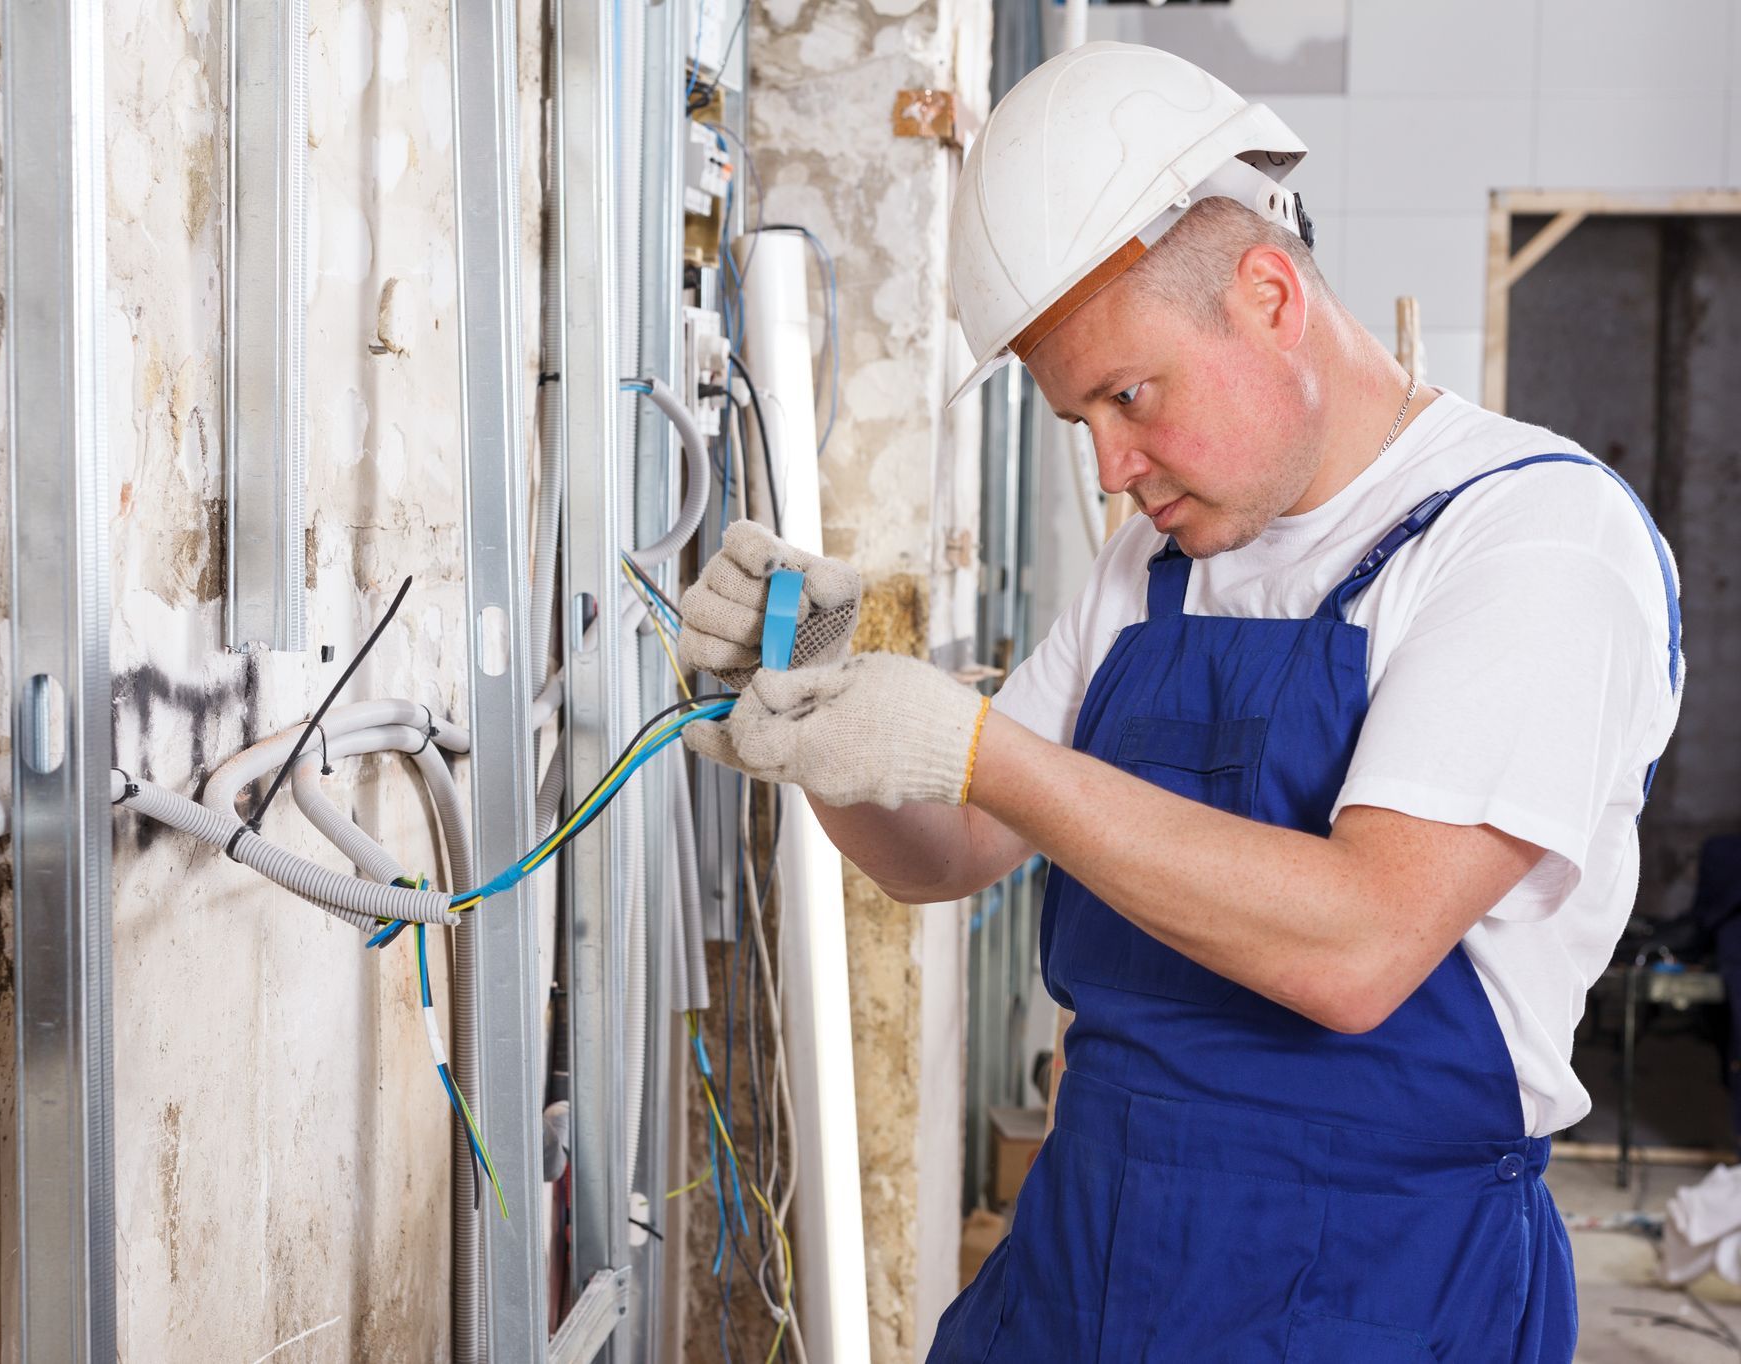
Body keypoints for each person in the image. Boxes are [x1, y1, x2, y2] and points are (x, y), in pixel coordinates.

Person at [677, 40, 1683, 1364]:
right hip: (1091, 1247)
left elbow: (1358, 947)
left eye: (1129, 396)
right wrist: (822, 714)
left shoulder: (1528, 542)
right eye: (1078, 419)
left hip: (1371, 1285)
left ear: (1269, 295)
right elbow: (946, 853)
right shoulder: (1154, 566)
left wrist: (976, 748)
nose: (1110, 467)